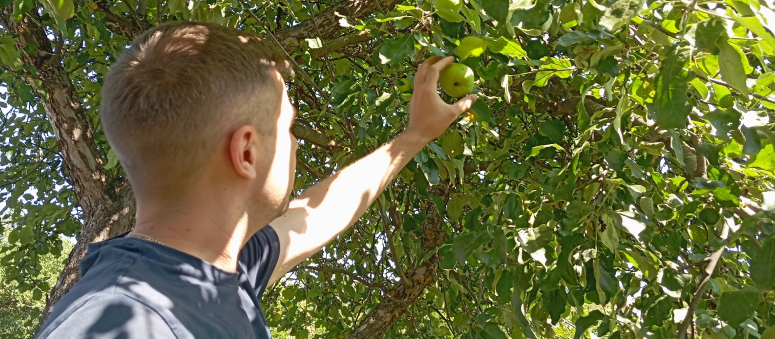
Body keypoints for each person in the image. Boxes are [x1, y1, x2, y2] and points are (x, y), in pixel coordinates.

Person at [36, 21, 476, 338]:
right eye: (288, 128)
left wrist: (415, 135)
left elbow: (319, 213)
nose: (297, 145)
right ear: (246, 151)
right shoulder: (125, 318)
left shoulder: (218, 269)